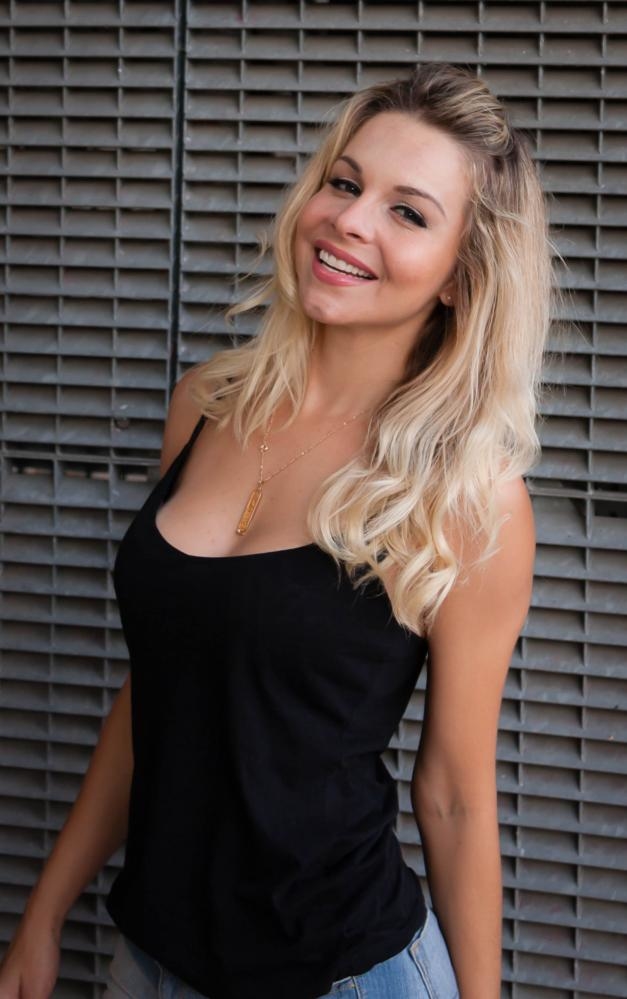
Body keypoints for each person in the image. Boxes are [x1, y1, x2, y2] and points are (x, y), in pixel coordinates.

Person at [0, 62, 551, 999]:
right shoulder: (206, 406)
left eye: (406, 212)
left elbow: (455, 794)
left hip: (342, 974)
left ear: (461, 278)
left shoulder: (466, 496)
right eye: (344, 182)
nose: (350, 220)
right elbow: (164, 685)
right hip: (149, 960)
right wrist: (45, 909)